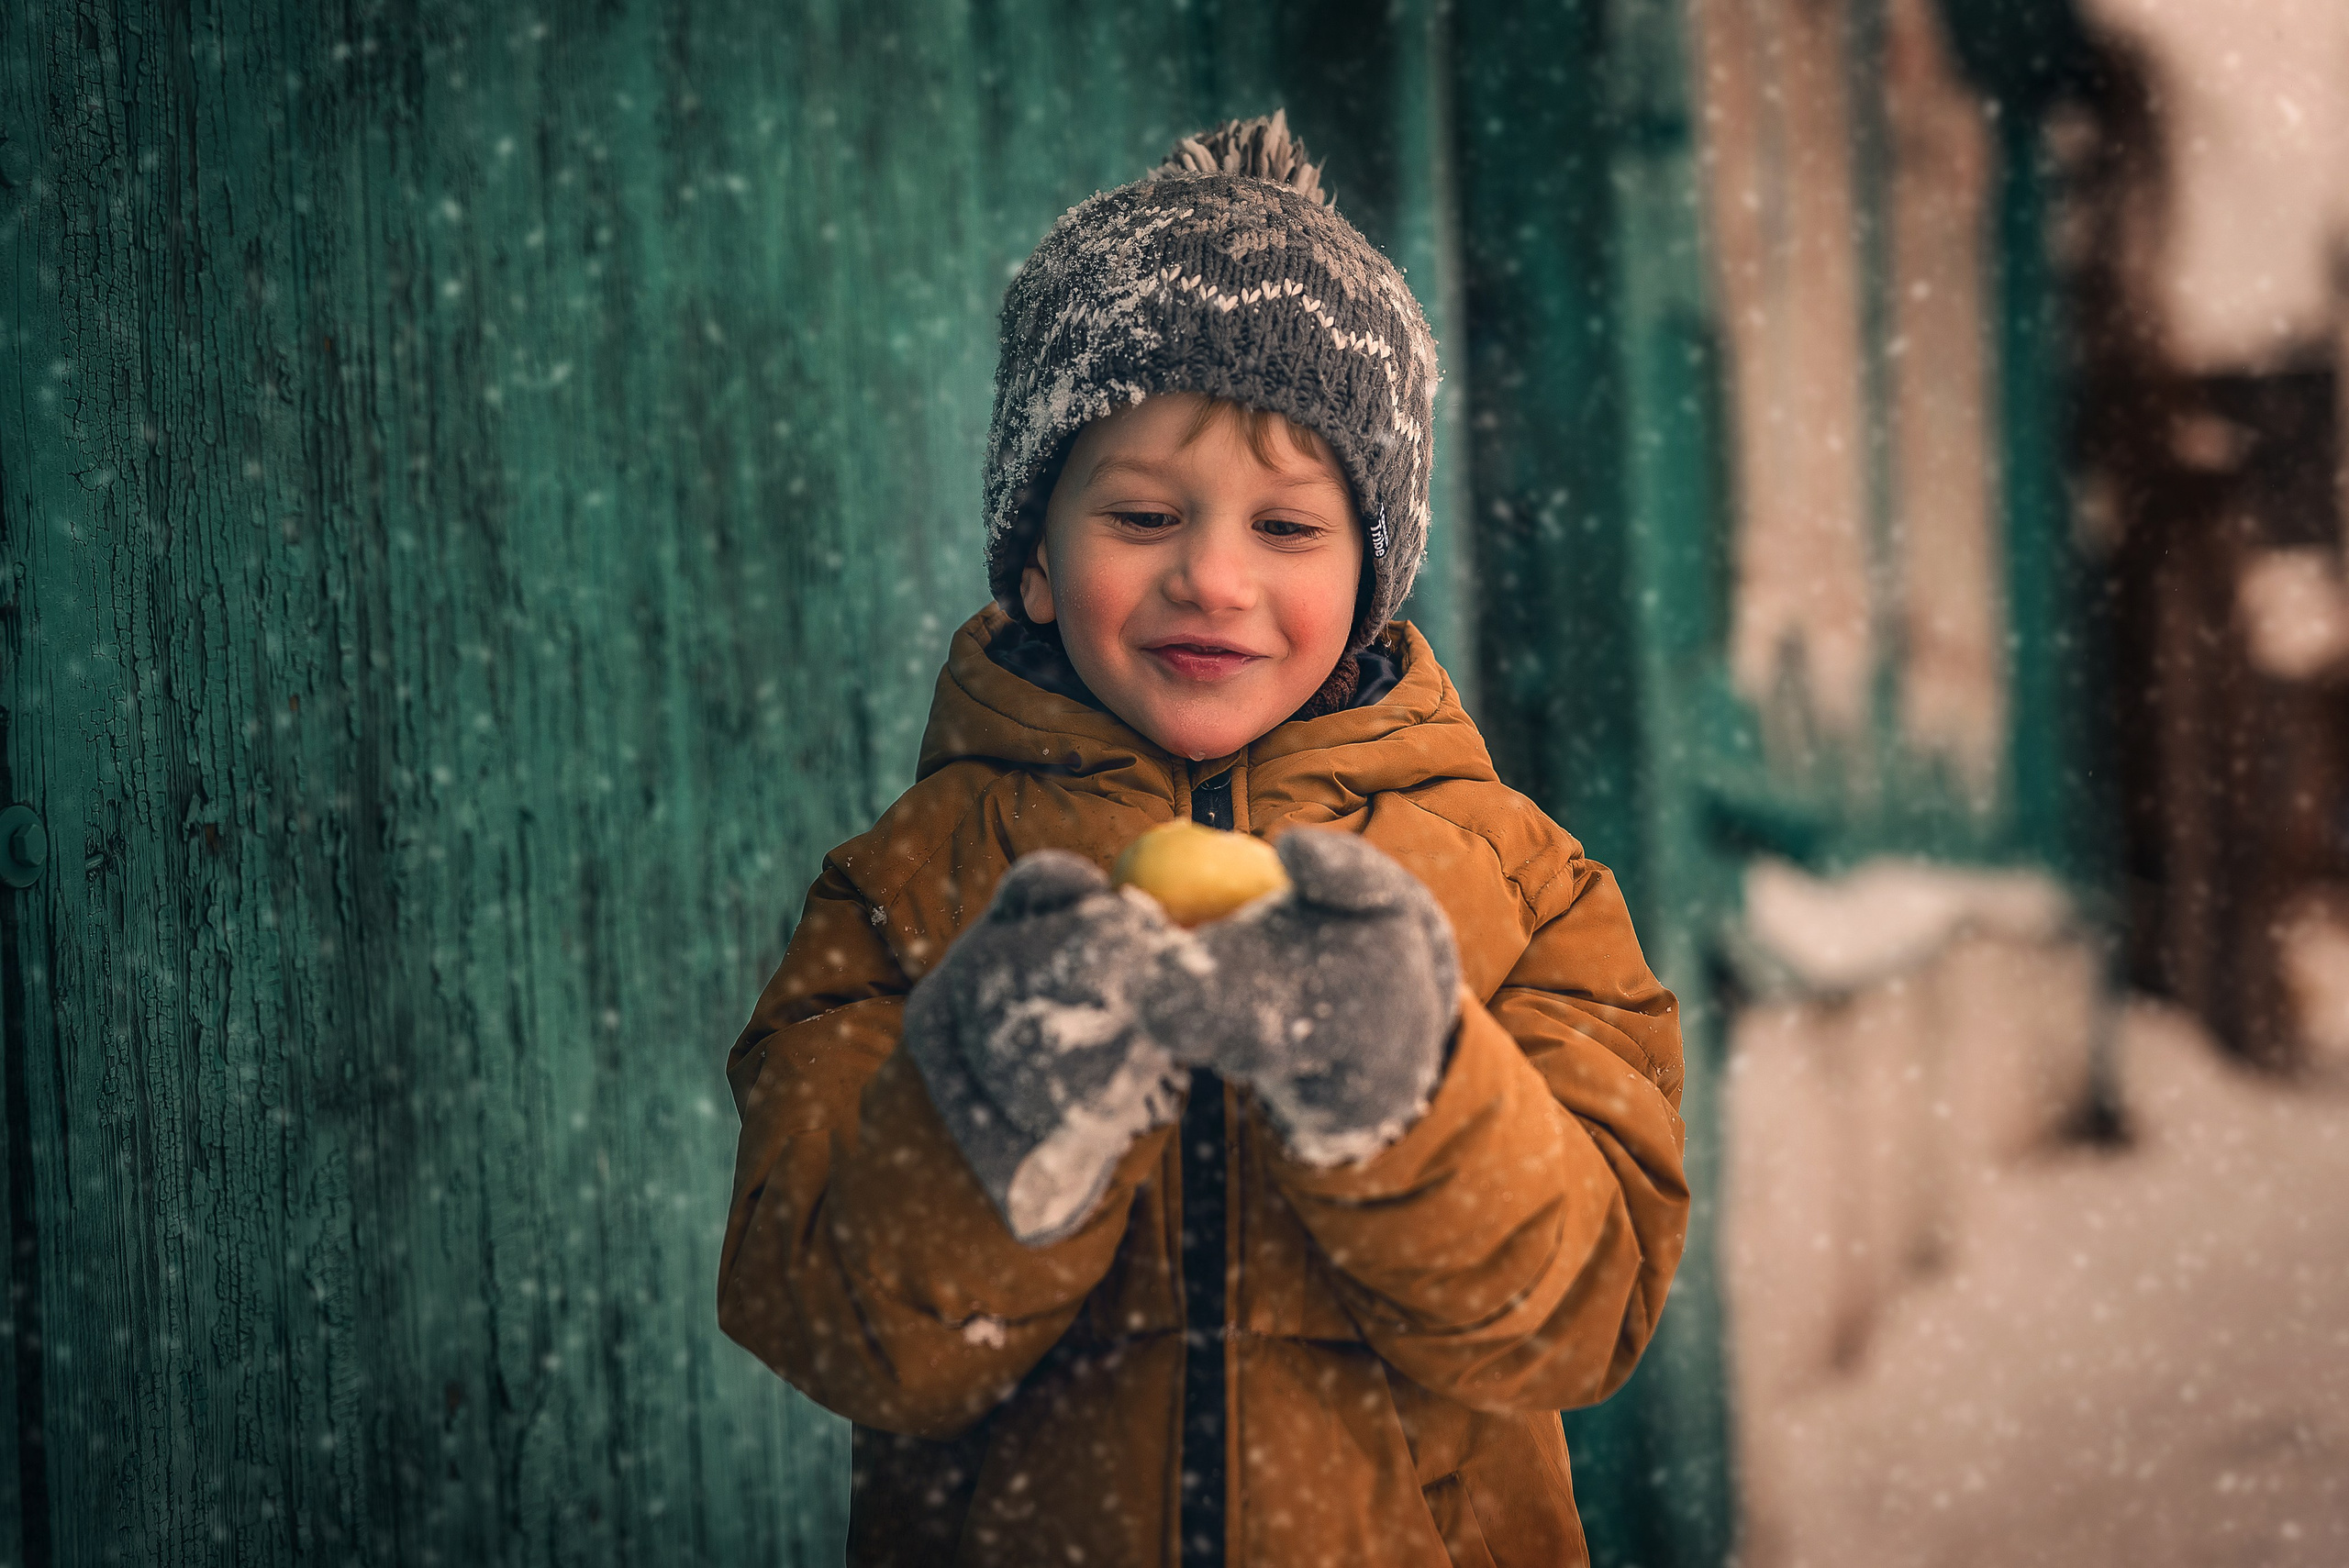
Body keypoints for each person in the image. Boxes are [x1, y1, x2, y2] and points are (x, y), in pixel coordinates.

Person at [718, 110, 1688, 1568]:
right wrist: (989, 1107)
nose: (1213, 578)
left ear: (1373, 577)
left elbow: (1581, 1307)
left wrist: (1413, 1089)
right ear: (1037, 561)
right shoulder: (908, 889)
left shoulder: (1526, 888)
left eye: (1288, 528)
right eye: (1147, 511)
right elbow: (844, 1326)